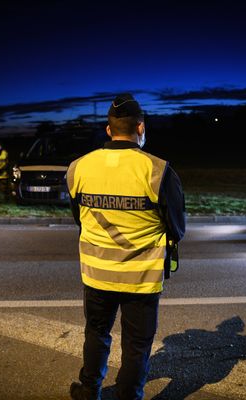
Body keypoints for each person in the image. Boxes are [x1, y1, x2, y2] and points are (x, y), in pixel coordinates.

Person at [67, 93, 186, 400]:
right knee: (136, 344)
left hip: (96, 275)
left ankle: (88, 390)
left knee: (96, 333)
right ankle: (128, 396)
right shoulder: (158, 170)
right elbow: (177, 228)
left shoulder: (78, 167)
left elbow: (79, 219)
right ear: (141, 129)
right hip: (141, 279)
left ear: (109, 129)